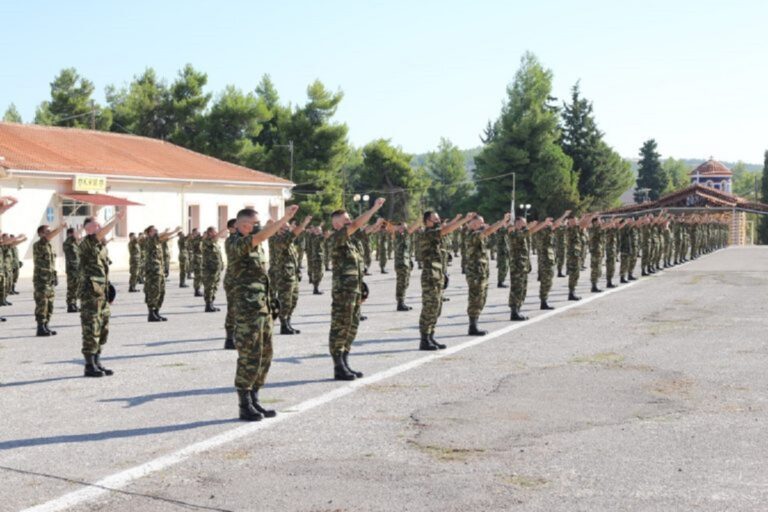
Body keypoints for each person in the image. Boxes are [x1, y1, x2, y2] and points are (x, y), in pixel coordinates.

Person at [232, 205, 299, 421]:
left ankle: (255, 398)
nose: (258, 227)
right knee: (248, 356)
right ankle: (244, 404)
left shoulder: (257, 243)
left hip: (263, 308)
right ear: (243, 225)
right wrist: (283, 220)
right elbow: (261, 237)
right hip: (247, 311)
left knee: (264, 355)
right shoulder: (234, 242)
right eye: (255, 223)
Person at [328, 198, 386, 380]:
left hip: (354, 290)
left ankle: (345, 362)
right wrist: (374, 208)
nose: (349, 222)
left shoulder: (351, 239)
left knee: (352, 327)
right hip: (343, 292)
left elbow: (365, 230)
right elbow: (357, 224)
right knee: (341, 327)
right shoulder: (336, 237)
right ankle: (338, 366)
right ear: (337, 224)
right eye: (346, 220)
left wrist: (375, 223)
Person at [419, 211, 474, 351]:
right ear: (427, 221)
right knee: (429, 308)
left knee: (437, 308)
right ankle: (424, 339)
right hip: (430, 277)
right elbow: (446, 229)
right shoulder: (428, 233)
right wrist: (464, 220)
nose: (438, 221)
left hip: (438, 275)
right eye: (435, 219)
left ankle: (431, 336)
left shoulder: (436, 233)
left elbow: (445, 229)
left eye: (439, 219)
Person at [79, 212, 123, 377]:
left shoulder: (101, 247)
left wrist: (109, 289)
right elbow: (99, 234)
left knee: (103, 329)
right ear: (88, 228)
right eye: (96, 224)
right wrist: (116, 220)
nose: (100, 227)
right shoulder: (86, 243)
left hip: (101, 294)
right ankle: (89, 365)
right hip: (90, 295)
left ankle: (97, 361)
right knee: (91, 329)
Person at [464, 214, 509, 335]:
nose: (483, 225)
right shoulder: (472, 235)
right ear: (473, 224)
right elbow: (488, 231)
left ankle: (474, 324)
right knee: (475, 299)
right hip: (475, 274)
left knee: (481, 299)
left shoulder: (479, 236)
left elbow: (490, 239)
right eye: (480, 223)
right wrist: (501, 221)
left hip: (481, 273)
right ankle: (472, 326)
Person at [271, 216, 312, 334]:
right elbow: (292, 235)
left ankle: (288, 322)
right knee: (285, 301)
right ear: (279, 229)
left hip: (292, 275)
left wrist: (298, 271)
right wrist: (303, 223)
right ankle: (283, 325)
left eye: (288, 227)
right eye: (285, 227)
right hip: (284, 276)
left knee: (293, 300)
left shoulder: (289, 243)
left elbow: (293, 259)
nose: (288, 229)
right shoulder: (277, 240)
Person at [33, 222, 66, 336]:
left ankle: (46, 325)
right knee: (42, 304)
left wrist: (55, 275)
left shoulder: (50, 246)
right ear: (40, 234)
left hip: (49, 279)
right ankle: (40, 327)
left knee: (50, 304)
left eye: (50, 231)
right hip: (41, 280)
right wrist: (60, 227)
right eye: (47, 231)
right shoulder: (39, 244)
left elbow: (51, 263)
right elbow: (49, 236)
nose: (49, 233)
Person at [144, 226, 182, 322]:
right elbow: (162, 236)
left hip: (159, 270)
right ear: (149, 233)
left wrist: (173, 234)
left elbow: (165, 237)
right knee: (153, 291)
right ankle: (151, 314)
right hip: (152, 271)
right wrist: (174, 230)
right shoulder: (150, 240)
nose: (156, 231)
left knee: (161, 291)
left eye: (157, 230)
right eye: (154, 230)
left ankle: (156, 312)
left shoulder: (157, 241)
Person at [536, 211, 570, 310]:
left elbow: (556, 226)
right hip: (545, 260)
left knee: (548, 281)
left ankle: (544, 300)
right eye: (549, 222)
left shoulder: (547, 231)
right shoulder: (542, 231)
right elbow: (556, 225)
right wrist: (564, 215)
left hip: (549, 259)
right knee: (545, 281)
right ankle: (543, 301)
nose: (551, 223)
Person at [507, 217, 535, 321]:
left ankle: (518, 309)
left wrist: (528, 264)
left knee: (522, 289)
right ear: (517, 223)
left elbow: (525, 251)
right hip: (517, 266)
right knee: (516, 289)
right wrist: (530, 227)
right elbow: (525, 233)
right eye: (522, 224)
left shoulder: (522, 234)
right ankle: (514, 311)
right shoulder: (513, 234)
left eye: (525, 224)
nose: (524, 226)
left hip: (523, 265)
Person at [391, 220, 420, 311]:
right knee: (401, 283)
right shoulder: (398, 236)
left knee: (405, 283)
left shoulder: (405, 236)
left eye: (405, 227)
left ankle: (401, 301)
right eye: (403, 227)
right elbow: (411, 229)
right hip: (401, 263)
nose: (405, 229)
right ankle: (400, 303)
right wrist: (420, 221)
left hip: (406, 263)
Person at [202, 225, 227, 312]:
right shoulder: (206, 241)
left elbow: (218, 256)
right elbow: (215, 238)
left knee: (215, 286)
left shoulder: (215, 243)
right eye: (214, 231)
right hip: (209, 269)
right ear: (210, 233)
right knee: (209, 287)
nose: (216, 233)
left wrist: (221, 265)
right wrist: (225, 229)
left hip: (216, 269)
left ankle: (211, 304)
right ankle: (208, 305)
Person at [223, 219, 238, 350]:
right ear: (231, 229)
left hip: (241, 280)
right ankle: (229, 338)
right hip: (233, 280)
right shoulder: (231, 240)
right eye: (237, 226)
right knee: (233, 309)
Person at [62, 227, 82, 313]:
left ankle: (73, 304)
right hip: (71, 269)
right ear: (70, 234)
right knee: (72, 287)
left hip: (77, 268)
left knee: (76, 287)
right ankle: (70, 305)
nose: (77, 235)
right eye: (75, 233)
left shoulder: (75, 243)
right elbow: (74, 238)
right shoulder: (67, 242)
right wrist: (83, 228)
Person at [307, 225, 325, 295]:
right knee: (318, 274)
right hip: (317, 258)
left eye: (320, 230)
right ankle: (315, 289)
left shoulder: (315, 237)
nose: (319, 231)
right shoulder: (316, 238)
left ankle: (316, 287)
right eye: (318, 230)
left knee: (320, 273)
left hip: (318, 258)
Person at [190, 228, 204, 297]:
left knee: (199, 275)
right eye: (197, 232)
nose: (199, 233)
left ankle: (197, 289)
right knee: (198, 275)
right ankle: (197, 290)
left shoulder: (197, 239)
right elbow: (202, 237)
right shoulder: (194, 240)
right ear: (194, 233)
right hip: (197, 259)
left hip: (199, 258)